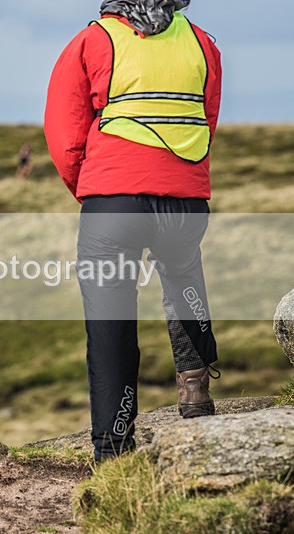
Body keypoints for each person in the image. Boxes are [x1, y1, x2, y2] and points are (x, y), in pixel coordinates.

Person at [43, 0, 222, 461]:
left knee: (111, 323)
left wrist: (91, 190)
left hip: (113, 199)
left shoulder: (93, 40)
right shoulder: (202, 43)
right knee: (183, 275)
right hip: (185, 199)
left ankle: (114, 446)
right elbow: (206, 121)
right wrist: (182, 178)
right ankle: (195, 391)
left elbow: (64, 133)